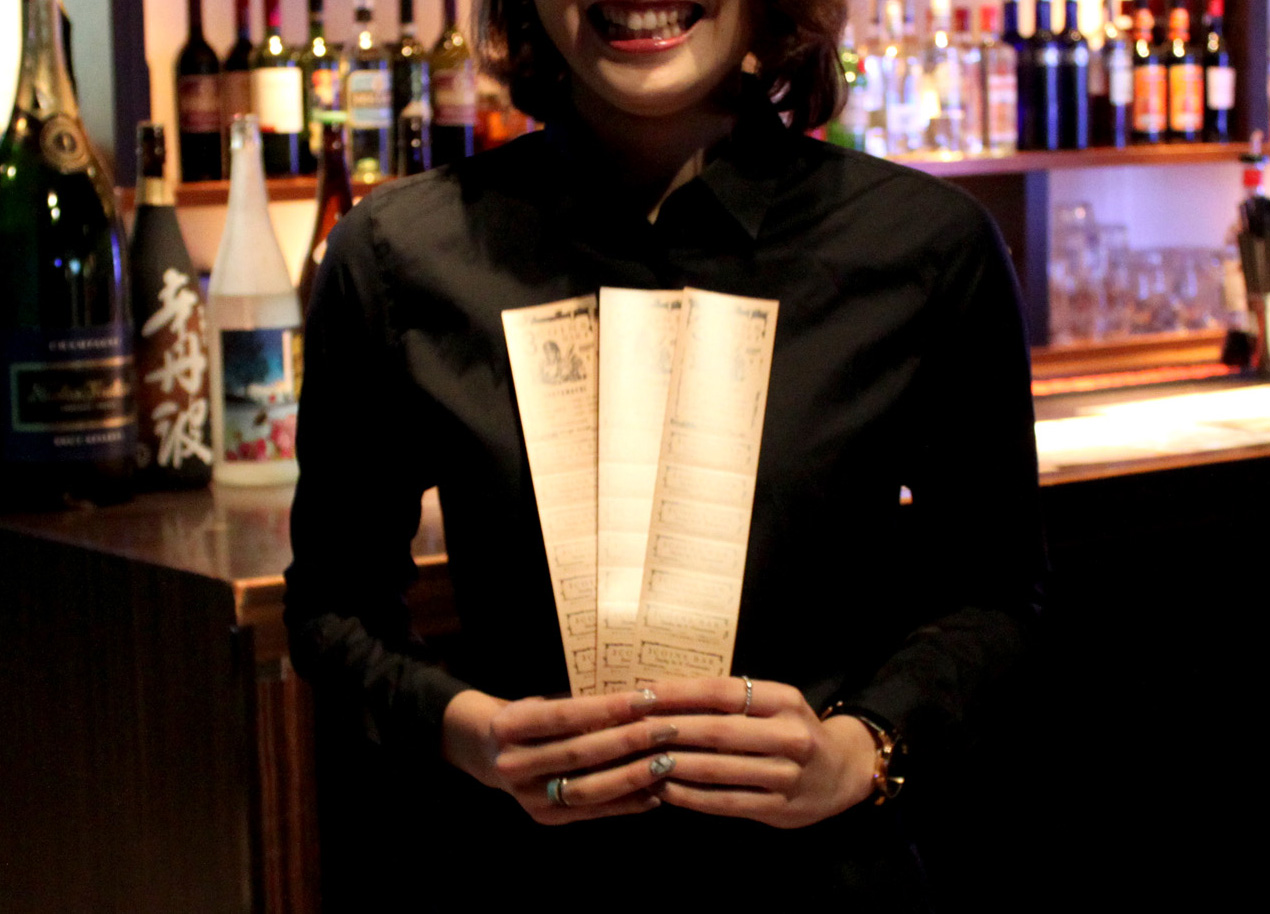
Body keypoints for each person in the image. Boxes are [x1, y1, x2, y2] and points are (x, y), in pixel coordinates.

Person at [284, 0, 1046, 908]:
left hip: (821, 887)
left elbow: (998, 595)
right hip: (524, 880)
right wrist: (467, 731)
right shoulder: (399, 255)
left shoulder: (926, 246)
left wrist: (862, 748)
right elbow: (334, 605)